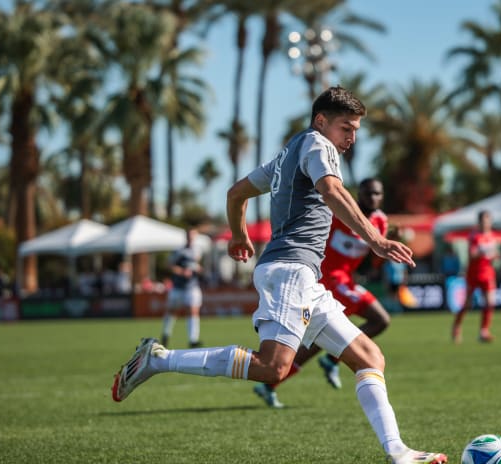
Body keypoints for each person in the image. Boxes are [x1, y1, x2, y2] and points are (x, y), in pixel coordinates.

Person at [111, 86, 447, 464]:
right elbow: (332, 190)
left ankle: (398, 452)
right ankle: (158, 359)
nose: (351, 138)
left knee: (369, 356)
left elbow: (236, 193)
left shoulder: (289, 152)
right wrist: (375, 239)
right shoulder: (319, 145)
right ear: (321, 121)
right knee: (273, 368)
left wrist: (240, 235)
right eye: (346, 128)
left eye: (355, 130)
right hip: (291, 271)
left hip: (301, 275)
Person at [252, 178, 391, 409]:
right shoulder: (340, 213)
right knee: (379, 319)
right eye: (368, 193)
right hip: (328, 280)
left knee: (319, 340)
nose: (373, 198)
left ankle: (270, 384)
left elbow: (372, 257)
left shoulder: (380, 221)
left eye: (378, 194)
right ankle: (331, 358)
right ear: (359, 195)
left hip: (346, 280)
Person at [452, 210, 499, 344]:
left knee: (490, 302)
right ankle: (457, 326)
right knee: (467, 304)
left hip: (488, 272)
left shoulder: (492, 236)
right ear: (480, 222)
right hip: (474, 273)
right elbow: (472, 254)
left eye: (488, 221)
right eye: (484, 221)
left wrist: (493, 255)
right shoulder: (474, 236)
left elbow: (494, 254)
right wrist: (482, 252)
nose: (487, 223)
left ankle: (484, 331)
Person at [161, 229, 204, 348]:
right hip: (178, 286)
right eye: (189, 235)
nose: (191, 238)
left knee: (193, 311)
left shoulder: (197, 249)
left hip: (192, 286)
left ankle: (193, 340)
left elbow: (196, 264)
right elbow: (169, 265)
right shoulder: (179, 251)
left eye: (193, 236)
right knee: (172, 311)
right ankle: (165, 334)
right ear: (186, 236)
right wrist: (181, 271)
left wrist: (198, 269)